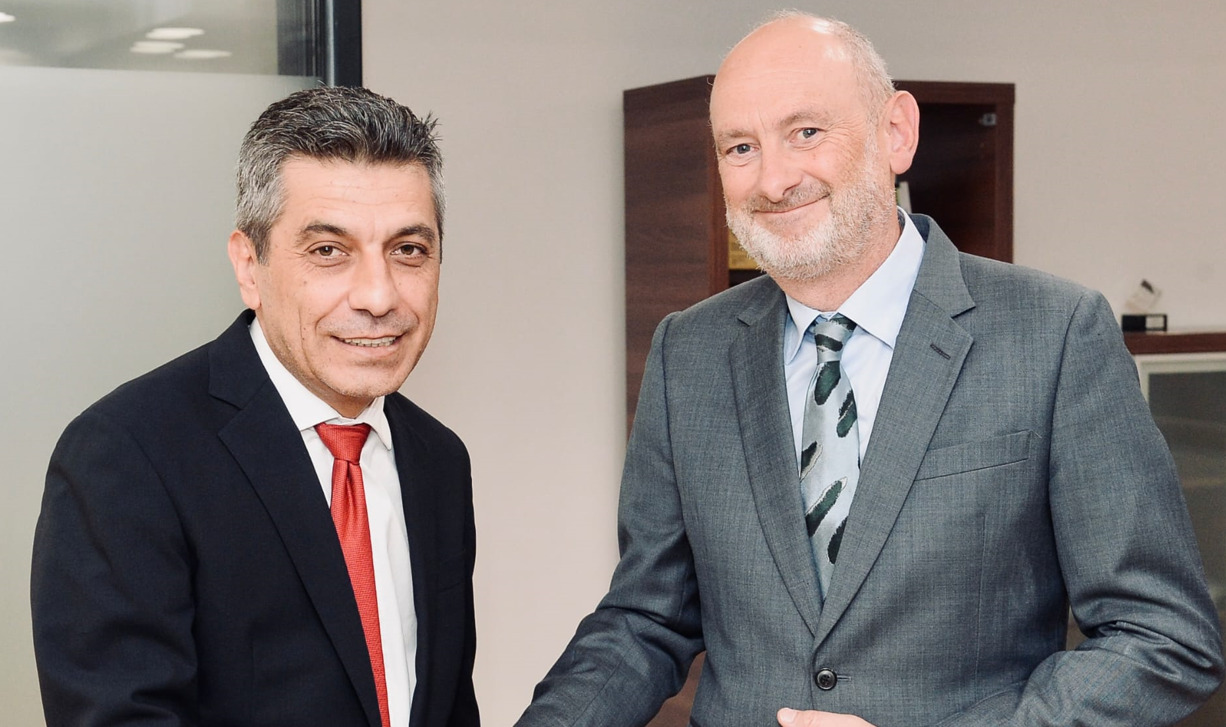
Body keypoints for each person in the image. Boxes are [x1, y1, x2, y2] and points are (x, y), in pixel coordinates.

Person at [517, 12, 1223, 727]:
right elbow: (644, 620)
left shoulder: (1055, 333)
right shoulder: (687, 352)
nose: (774, 179)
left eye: (806, 132)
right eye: (740, 147)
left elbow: (1162, 637)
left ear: (897, 133)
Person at [31, 86, 478, 727]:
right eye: (329, 251)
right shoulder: (127, 455)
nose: (379, 296)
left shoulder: (438, 458)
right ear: (249, 265)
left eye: (408, 250)